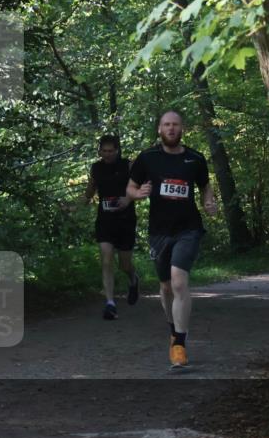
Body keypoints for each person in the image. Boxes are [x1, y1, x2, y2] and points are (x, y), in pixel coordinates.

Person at [127, 110, 217, 368]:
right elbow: (129, 188)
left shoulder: (195, 159)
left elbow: (205, 187)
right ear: (159, 129)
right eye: (166, 124)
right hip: (159, 232)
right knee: (166, 287)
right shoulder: (147, 158)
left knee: (179, 282)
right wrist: (137, 193)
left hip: (188, 229)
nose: (171, 128)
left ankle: (179, 343)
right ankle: (172, 328)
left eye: (175, 125)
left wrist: (209, 202)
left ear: (182, 129)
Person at [83, 134, 139, 320]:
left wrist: (128, 198)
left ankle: (133, 278)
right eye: (104, 151)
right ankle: (110, 303)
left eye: (110, 151)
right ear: (99, 151)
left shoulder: (128, 165)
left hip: (125, 219)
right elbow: (90, 191)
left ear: (117, 150)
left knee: (124, 263)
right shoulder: (96, 168)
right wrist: (75, 206)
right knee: (106, 259)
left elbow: (143, 187)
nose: (107, 154)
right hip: (105, 219)